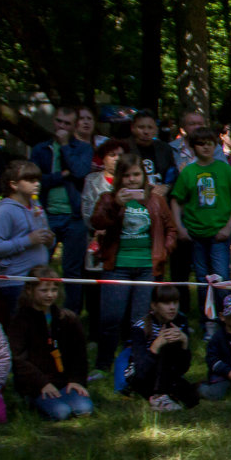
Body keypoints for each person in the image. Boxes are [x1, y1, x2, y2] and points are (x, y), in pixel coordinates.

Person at [91, 153, 177, 373]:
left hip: (147, 268)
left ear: (144, 175)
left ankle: (135, 363)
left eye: (136, 174)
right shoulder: (108, 198)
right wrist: (115, 205)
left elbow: (171, 229)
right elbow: (97, 222)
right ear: (120, 177)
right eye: (127, 175)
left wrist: (165, 251)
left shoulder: (156, 200)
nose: (132, 179)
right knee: (111, 318)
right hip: (116, 267)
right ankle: (103, 364)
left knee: (139, 321)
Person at [170, 127, 231, 320]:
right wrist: (180, 228)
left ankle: (226, 318)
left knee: (221, 279)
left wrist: (228, 228)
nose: (205, 147)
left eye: (209, 143)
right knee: (203, 281)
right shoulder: (188, 172)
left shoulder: (225, 170)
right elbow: (176, 201)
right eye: (200, 144)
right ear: (193, 147)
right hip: (195, 235)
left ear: (216, 145)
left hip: (219, 235)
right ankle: (207, 322)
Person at [8, 268, 93, 421]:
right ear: (29, 290)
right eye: (44, 290)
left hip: (65, 382)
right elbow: (18, 359)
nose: (50, 295)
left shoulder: (68, 318)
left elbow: (79, 354)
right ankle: (32, 400)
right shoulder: (21, 320)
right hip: (37, 385)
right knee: (61, 412)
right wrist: (42, 384)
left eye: (54, 290)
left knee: (84, 409)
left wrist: (76, 380)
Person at [31, 106, 93, 313]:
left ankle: (71, 317)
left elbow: (80, 171)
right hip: (46, 216)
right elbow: (35, 181)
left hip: (74, 217)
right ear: (54, 121)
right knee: (40, 268)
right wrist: (62, 175)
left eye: (67, 123)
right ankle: (38, 312)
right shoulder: (41, 149)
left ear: (75, 126)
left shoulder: (83, 148)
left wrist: (66, 146)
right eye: (59, 122)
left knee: (72, 271)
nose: (62, 127)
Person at [0, 160, 54, 312]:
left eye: (38, 180)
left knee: (41, 327)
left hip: (40, 280)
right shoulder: (4, 211)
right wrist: (28, 240)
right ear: (14, 184)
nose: (37, 184)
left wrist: (50, 240)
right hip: (16, 281)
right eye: (30, 180)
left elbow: (45, 237)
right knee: (22, 328)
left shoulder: (37, 206)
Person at [125, 285, 196, 412]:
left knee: (192, 398)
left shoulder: (181, 321)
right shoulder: (140, 327)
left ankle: (165, 394)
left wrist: (185, 342)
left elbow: (182, 368)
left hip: (167, 374)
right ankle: (158, 396)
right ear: (154, 305)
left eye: (175, 302)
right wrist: (156, 345)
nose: (172, 307)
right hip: (140, 375)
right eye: (166, 303)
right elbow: (140, 370)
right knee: (165, 348)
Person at [128, 110, 177, 192]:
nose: (146, 132)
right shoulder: (125, 148)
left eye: (150, 128)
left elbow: (173, 175)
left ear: (156, 129)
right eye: (141, 127)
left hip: (160, 197)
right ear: (133, 128)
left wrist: (167, 187)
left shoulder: (165, 148)